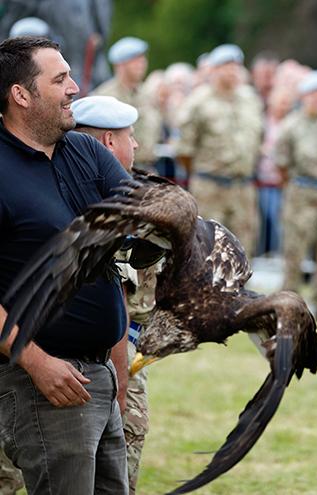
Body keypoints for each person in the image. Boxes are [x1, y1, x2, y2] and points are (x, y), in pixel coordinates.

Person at [0, 36, 130, 494]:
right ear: (21, 94)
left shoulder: (87, 151)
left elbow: (140, 222)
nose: (75, 87)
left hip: (100, 375)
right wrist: (36, 362)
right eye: (60, 79)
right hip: (43, 382)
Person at [71, 95, 152, 495]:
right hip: (105, 362)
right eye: (129, 136)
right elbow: (115, 296)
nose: (135, 145)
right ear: (107, 142)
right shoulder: (107, 205)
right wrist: (119, 384)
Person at [175, 43, 263, 255]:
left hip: (243, 188)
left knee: (243, 249)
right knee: (207, 248)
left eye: (236, 66)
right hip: (210, 186)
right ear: (214, 69)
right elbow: (184, 151)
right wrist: (204, 174)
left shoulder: (251, 99)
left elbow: (258, 140)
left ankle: (238, 289)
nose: (233, 71)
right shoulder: (198, 102)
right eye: (227, 66)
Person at [275, 71, 317, 318]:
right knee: (294, 252)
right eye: (314, 94)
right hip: (299, 194)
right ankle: (287, 304)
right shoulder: (291, 125)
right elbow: (282, 163)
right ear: (304, 97)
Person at [93, 36, 161, 169]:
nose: (142, 63)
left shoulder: (147, 94)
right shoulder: (104, 96)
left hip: (148, 169)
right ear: (120, 64)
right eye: (135, 60)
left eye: (143, 59)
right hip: (118, 170)